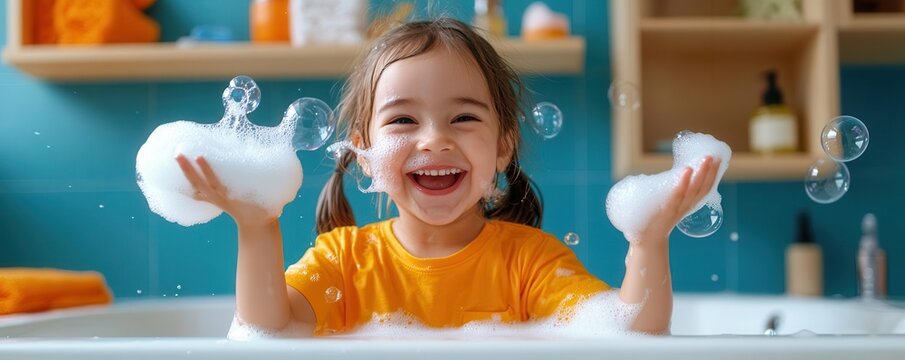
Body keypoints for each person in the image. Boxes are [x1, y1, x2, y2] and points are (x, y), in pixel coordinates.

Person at [175, 17, 720, 337]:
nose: (434, 140)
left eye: (463, 118)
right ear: (364, 153)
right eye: (403, 121)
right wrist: (257, 227)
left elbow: (631, 336)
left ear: (503, 146)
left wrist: (648, 241)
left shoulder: (529, 263)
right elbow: (270, 329)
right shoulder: (344, 261)